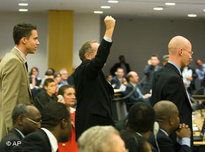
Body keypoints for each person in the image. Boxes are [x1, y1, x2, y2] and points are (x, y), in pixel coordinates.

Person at [74, 16, 116, 139]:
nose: (102, 56)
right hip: (92, 127)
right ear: (88, 55)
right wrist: (109, 30)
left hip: (98, 125)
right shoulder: (84, 69)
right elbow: (99, 60)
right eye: (99, 52)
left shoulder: (93, 72)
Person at [0, 23, 40, 140]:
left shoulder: (16, 59)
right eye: (35, 38)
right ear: (24, 40)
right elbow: (9, 101)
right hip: (11, 132)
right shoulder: (14, 61)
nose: (37, 42)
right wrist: (12, 135)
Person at [151, 36, 193, 145]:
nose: (190, 56)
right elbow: (173, 119)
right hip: (173, 142)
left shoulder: (159, 74)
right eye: (189, 52)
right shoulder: (173, 78)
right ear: (180, 51)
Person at [58, 85, 78, 152]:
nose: (73, 97)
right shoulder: (55, 112)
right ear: (60, 97)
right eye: (69, 94)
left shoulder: (77, 112)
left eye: (74, 94)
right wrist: (60, 107)